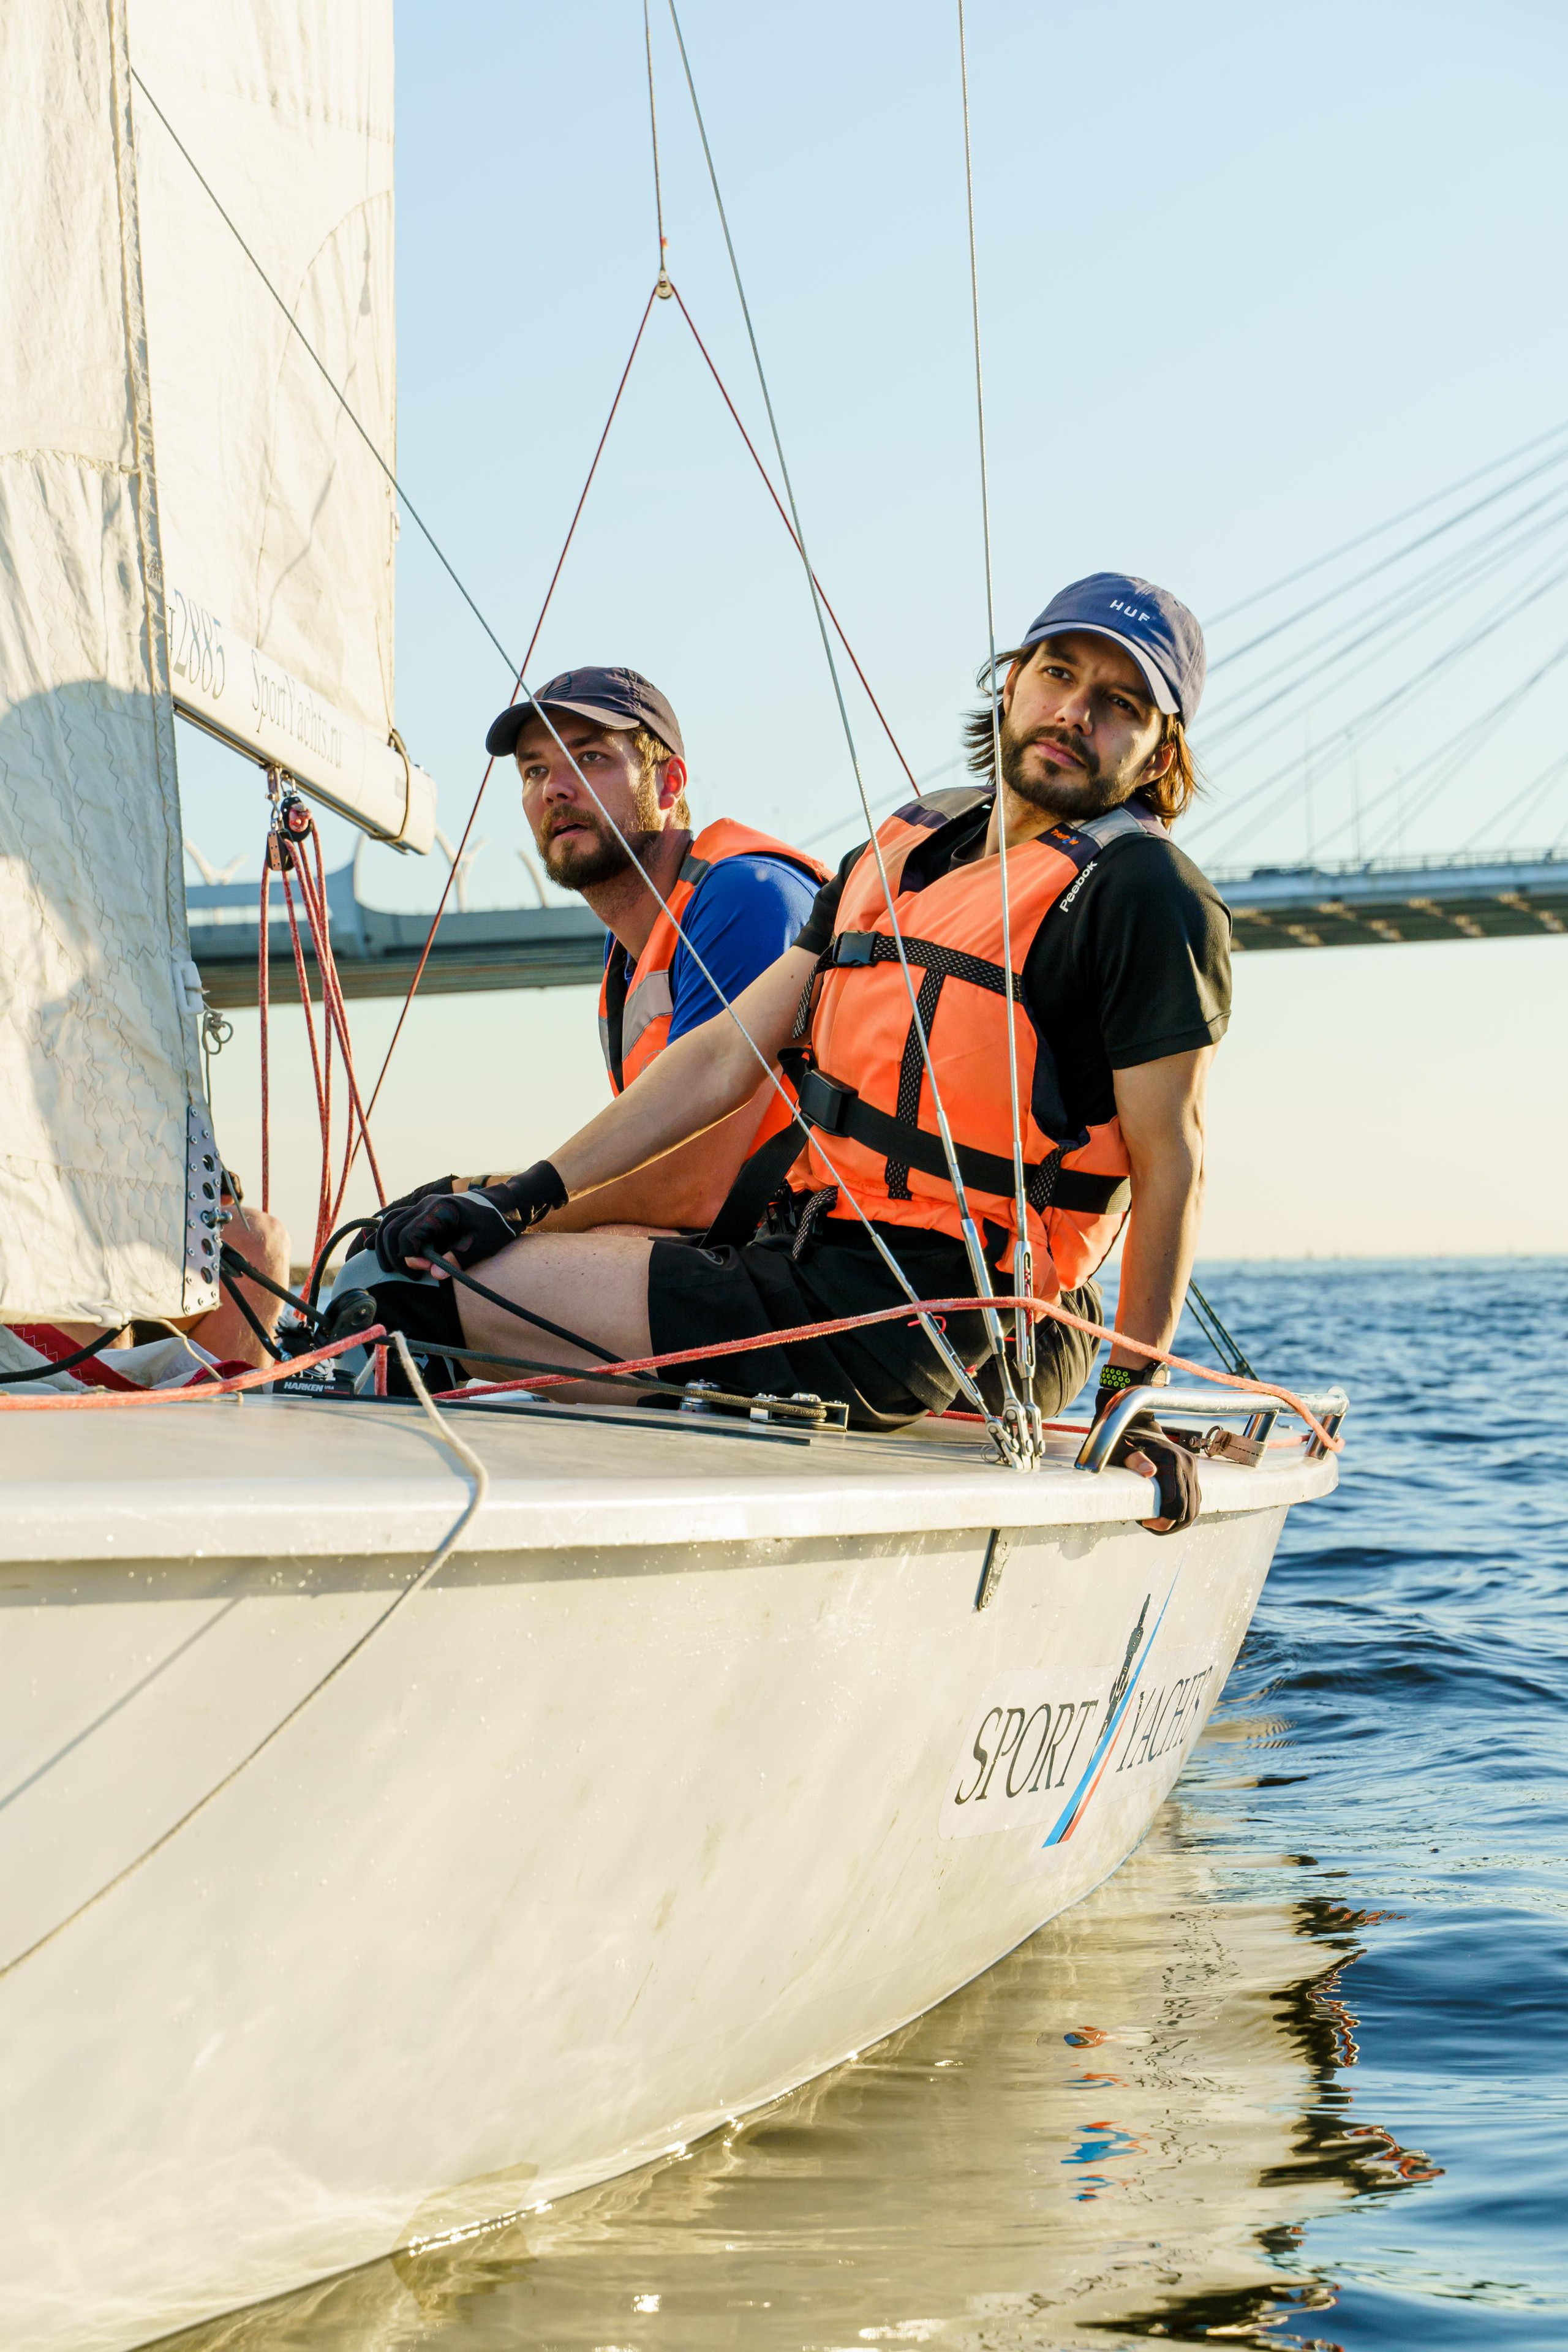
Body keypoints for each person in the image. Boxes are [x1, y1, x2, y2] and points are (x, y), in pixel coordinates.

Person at [368, 575, 1231, 1533]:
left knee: (413, 1297)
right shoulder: (903, 845)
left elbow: (1172, 1161)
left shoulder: (1142, 892)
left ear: (1161, 752)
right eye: (1058, 673)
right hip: (811, 1257)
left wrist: (1134, 1388)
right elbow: (723, 1058)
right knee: (491, 1286)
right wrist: (522, 1194)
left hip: (939, 1314)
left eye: (1119, 704)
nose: (1073, 713)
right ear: (1013, 680)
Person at [477, 666, 826, 1234]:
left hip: (823, 1269)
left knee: (422, 1287)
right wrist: (474, 1194)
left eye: (591, 758)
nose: (555, 789)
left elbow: (693, 1189)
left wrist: (491, 1206)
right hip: (741, 1252)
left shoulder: (750, 896)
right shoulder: (628, 959)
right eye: (535, 769)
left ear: (669, 784)